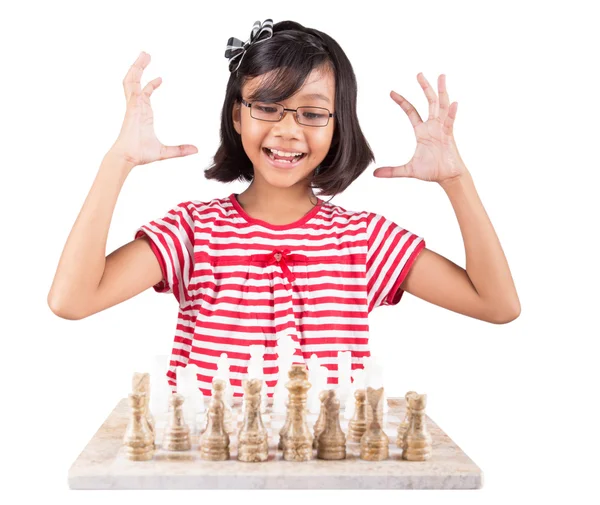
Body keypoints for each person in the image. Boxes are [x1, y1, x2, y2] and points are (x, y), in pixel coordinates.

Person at [47, 19, 520, 399]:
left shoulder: (364, 241)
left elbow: (496, 304)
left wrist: (456, 181)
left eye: (313, 113)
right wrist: (119, 162)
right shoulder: (193, 232)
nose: (289, 130)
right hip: (211, 474)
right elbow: (72, 301)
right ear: (238, 114)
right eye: (268, 106)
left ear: (338, 126)